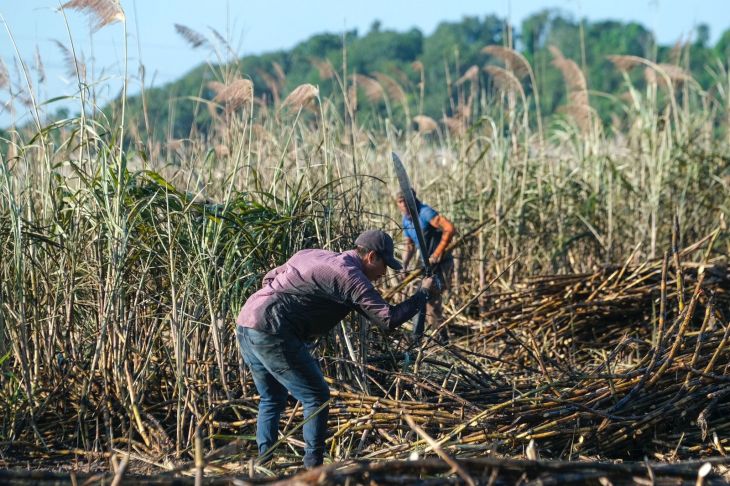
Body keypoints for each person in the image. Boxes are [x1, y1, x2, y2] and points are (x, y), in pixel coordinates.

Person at [235, 229, 438, 469]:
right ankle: (315, 470)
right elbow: (388, 319)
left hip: (247, 321)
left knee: (272, 397)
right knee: (317, 397)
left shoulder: (312, 255)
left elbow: (269, 279)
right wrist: (423, 294)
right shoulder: (350, 276)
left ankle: (262, 465)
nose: (384, 274)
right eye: (384, 265)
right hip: (272, 329)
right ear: (371, 257)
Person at [396, 189, 456, 338]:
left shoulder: (425, 213)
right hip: (427, 266)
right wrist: (404, 266)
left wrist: (437, 253)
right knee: (423, 299)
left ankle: (442, 341)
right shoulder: (406, 219)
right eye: (400, 202)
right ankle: (431, 337)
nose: (403, 206)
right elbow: (409, 245)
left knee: (431, 302)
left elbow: (449, 228)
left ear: (413, 200)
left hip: (441, 264)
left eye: (405, 202)